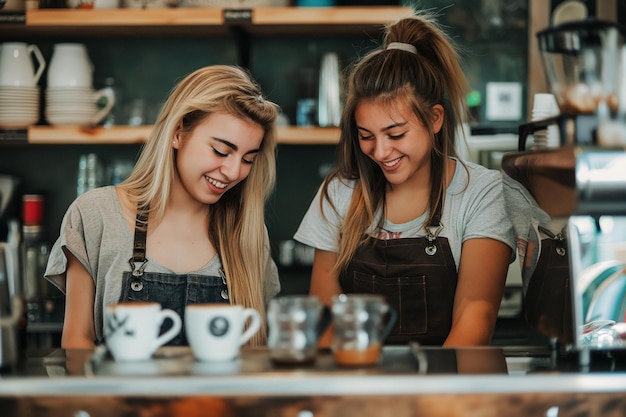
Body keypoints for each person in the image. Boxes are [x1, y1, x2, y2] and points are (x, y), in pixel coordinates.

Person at [294, 14, 516, 347]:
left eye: (395, 134)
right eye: (366, 135)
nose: (380, 152)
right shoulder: (339, 193)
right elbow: (326, 319)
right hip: (358, 382)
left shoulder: (480, 194)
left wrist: (423, 399)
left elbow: (475, 322)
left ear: (435, 119)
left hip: (445, 387)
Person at [45, 65, 281, 348]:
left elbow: (257, 352)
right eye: (221, 151)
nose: (233, 171)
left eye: (247, 159)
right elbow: (76, 343)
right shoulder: (96, 215)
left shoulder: (248, 234)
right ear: (178, 132)